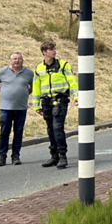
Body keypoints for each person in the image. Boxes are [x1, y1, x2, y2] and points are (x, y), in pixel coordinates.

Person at [32, 41, 78, 169]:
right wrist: (36, 105)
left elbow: (72, 82)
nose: (54, 51)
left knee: (58, 127)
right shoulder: (39, 68)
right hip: (46, 102)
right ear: (44, 52)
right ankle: (54, 156)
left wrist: (76, 96)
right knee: (50, 128)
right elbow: (36, 87)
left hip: (60, 100)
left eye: (54, 49)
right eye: (51, 49)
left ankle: (63, 155)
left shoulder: (63, 65)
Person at [0, 52, 35, 166]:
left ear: (22, 61)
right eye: (14, 59)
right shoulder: (3, 71)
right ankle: (2, 156)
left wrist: (25, 94)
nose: (17, 61)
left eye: (19, 59)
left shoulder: (29, 73)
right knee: (4, 132)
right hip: (6, 108)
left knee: (18, 132)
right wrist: (1, 93)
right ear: (11, 61)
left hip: (21, 107)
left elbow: (33, 87)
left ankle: (15, 156)